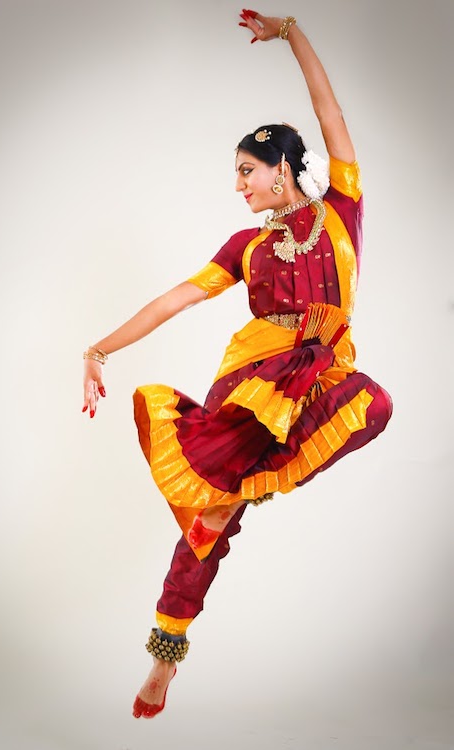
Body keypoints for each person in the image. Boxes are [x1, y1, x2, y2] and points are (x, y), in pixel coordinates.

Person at [82, 10, 392, 719]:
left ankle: (263, 476)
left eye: (247, 172)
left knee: (374, 404)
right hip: (251, 388)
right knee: (207, 523)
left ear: (283, 168)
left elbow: (328, 108)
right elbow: (172, 301)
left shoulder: (344, 208)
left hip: (317, 378)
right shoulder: (243, 247)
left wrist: (292, 35)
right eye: (236, 175)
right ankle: (165, 656)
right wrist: (100, 348)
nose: (239, 186)